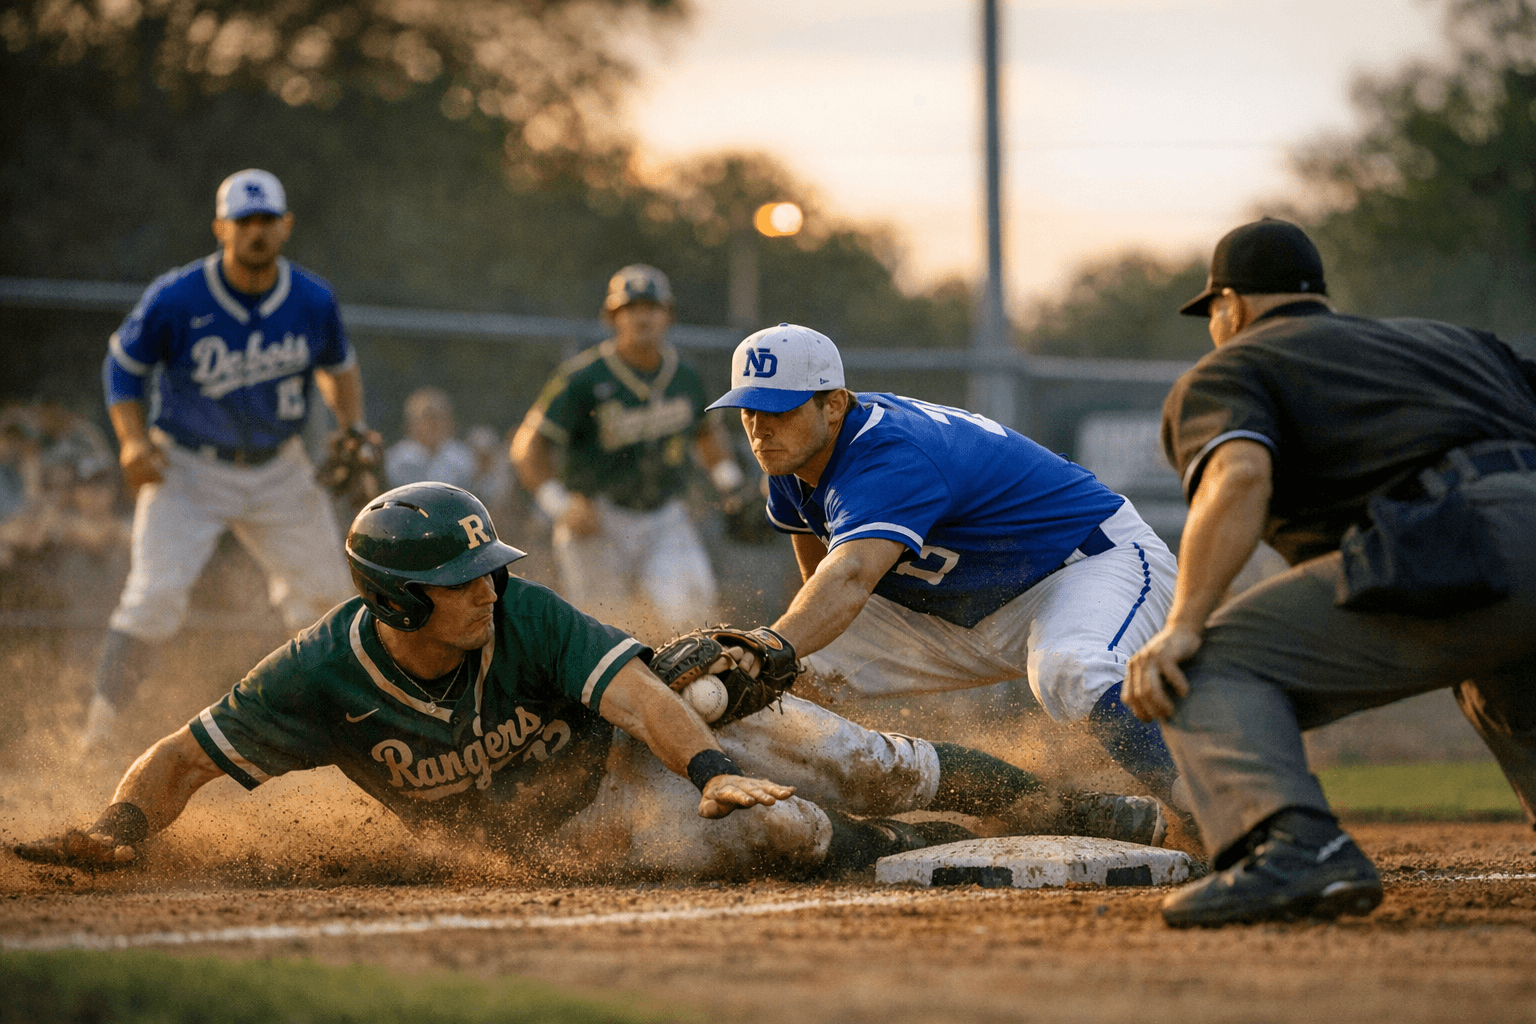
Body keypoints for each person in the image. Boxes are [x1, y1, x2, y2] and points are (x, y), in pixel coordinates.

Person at [14, 483, 1157, 881]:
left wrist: (712, 765)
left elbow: (638, 700)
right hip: (588, 828)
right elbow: (177, 759)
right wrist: (123, 825)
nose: (489, 590)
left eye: (486, 570)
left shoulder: (523, 616)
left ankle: (1091, 811)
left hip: (649, 749)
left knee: (865, 760)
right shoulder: (318, 676)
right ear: (399, 604)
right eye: (462, 581)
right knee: (794, 835)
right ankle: (930, 859)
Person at [1124, 218, 1536, 927]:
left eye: (1213, 312)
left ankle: (1293, 847)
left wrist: (1184, 624)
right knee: (1496, 672)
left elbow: (1240, 476)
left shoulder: (1234, 365)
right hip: (1498, 539)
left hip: (1473, 540)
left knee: (1208, 666)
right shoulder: (1459, 345)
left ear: (1233, 305)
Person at [703, 324, 1181, 833]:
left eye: (781, 410)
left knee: (1070, 669)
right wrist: (787, 653)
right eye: (750, 411)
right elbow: (818, 576)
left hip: (1086, 566)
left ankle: (1215, 806)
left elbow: (849, 577)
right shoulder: (788, 463)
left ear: (835, 405)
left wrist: (771, 643)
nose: (760, 429)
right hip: (961, 606)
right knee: (795, 673)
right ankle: (803, 812)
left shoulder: (891, 453)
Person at [84, 168, 377, 746]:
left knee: (324, 597)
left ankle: (341, 733)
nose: (256, 232)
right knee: (155, 597)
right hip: (188, 467)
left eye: (266, 219)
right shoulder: (178, 296)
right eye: (244, 221)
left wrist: (353, 427)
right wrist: (132, 439)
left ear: (286, 225)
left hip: (280, 466)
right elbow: (123, 366)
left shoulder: (312, 297)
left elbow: (338, 369)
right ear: (221, 227)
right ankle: (98, 731)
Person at [509, 265, 749, 640]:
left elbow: (707, 432)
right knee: (604, 632)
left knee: (694, 620)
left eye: (651, 306)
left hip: (664, 515)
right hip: (597, 518)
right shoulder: (583, 378)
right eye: (631, 307)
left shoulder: (685, 374)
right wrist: (558, 503)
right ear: (611, 317)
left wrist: (728, 482)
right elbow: (528, 446)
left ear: (668, 314)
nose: (642, 315)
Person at [384, 386, 476, 489]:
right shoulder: (396, 458)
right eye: (427, 418)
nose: (434, 425)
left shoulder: (463, 457)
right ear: (411, 424)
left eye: (439, 418)